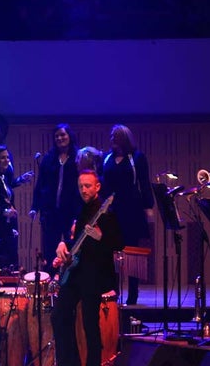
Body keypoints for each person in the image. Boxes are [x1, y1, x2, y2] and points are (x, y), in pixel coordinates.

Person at [52, 171, 122, 366]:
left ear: (97, 187)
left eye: (88, 186)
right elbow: (75, 240)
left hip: (95, 275)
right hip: (76, 273)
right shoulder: (81, 209)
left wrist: (100, 237)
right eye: (81, 186)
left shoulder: (107, 212)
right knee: (59, 315)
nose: (84, 189)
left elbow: (118, 243)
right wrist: (63, 244)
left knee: (90, 325)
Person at [100, 125, 152, 304]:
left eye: (116, 136)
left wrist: (148, 207)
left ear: (124, 138)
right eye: (111, 136)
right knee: (111, 254)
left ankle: (132, 294)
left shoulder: (137, 158)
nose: (112, 139)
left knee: (131, 253)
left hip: (131, 211)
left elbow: (144, 183)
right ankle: (113, 291)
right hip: (111, 213)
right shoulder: (107, 159)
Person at [33, 124, 81, 265]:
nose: (60, 138)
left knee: (70, 245)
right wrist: (35, 206)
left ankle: (67, 281)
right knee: (50, 248)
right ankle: (50, 281)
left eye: (63, 135)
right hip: (51, 211)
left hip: (71, 210)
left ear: (70, 136)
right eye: (57, 136)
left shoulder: (78, 157)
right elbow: (41, 183)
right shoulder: (49, 158)